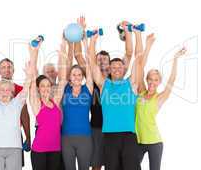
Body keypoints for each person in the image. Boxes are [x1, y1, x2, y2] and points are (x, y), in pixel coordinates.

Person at [74, 17, 134, 170]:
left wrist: (128, 33)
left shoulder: (117, 78)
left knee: (116, 165)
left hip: (118, 129)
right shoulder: (92, 78)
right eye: (98, 60)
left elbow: (128, 54)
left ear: (111, 63)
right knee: (95, 165)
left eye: (105, 60)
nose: (101, 63)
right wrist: (79, 33)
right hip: (96, 127)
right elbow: (78, 55)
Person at [89, 26, 143, 170]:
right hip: (110, 136)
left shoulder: (130, 83)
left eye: (120, 67)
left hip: (129, 136)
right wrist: (93, 40)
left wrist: (137, 34)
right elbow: (92, 63)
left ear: (123, 69)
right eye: (114, 67)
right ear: (110, 70)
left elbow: (138, 58)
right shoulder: (103, 84)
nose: (117, 69)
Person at [135, 34, 186, 170]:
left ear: (159, 82)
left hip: (155, 142)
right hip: (138, 141)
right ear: (147, 79)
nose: (152, 82)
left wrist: (175, 59)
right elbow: (139, 67)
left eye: (156, 80)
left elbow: (172, 79)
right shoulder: (140, 92)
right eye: (150, 79)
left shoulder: (160, 97)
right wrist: (148, 46)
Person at [0, 31, 31, 165]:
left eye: (9, 67)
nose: (7, 69)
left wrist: (28, 136)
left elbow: (25, 114)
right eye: (3, 67)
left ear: (13, 70)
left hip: (15, 137)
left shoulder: (20, 89)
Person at [28, 38, 68, 170]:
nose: (45, 88)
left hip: (55, 149)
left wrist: (63, 53)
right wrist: (35, 51)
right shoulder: (37, 104)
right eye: (42, 86)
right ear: (38, 89)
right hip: (39, 150)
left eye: (48, 85)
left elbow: (62, 80)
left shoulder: (55, 101)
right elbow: (33, 79)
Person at [61, 36, 94, 170]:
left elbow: (89, 67)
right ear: (69, 77)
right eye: (74, 74)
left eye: (79, 74)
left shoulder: (88, 89)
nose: (77, 77)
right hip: (66, 138)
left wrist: (85, 44)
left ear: (82, 77)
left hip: (85, 137)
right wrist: (65, 43)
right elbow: (65, 63)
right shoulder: (64, 89)